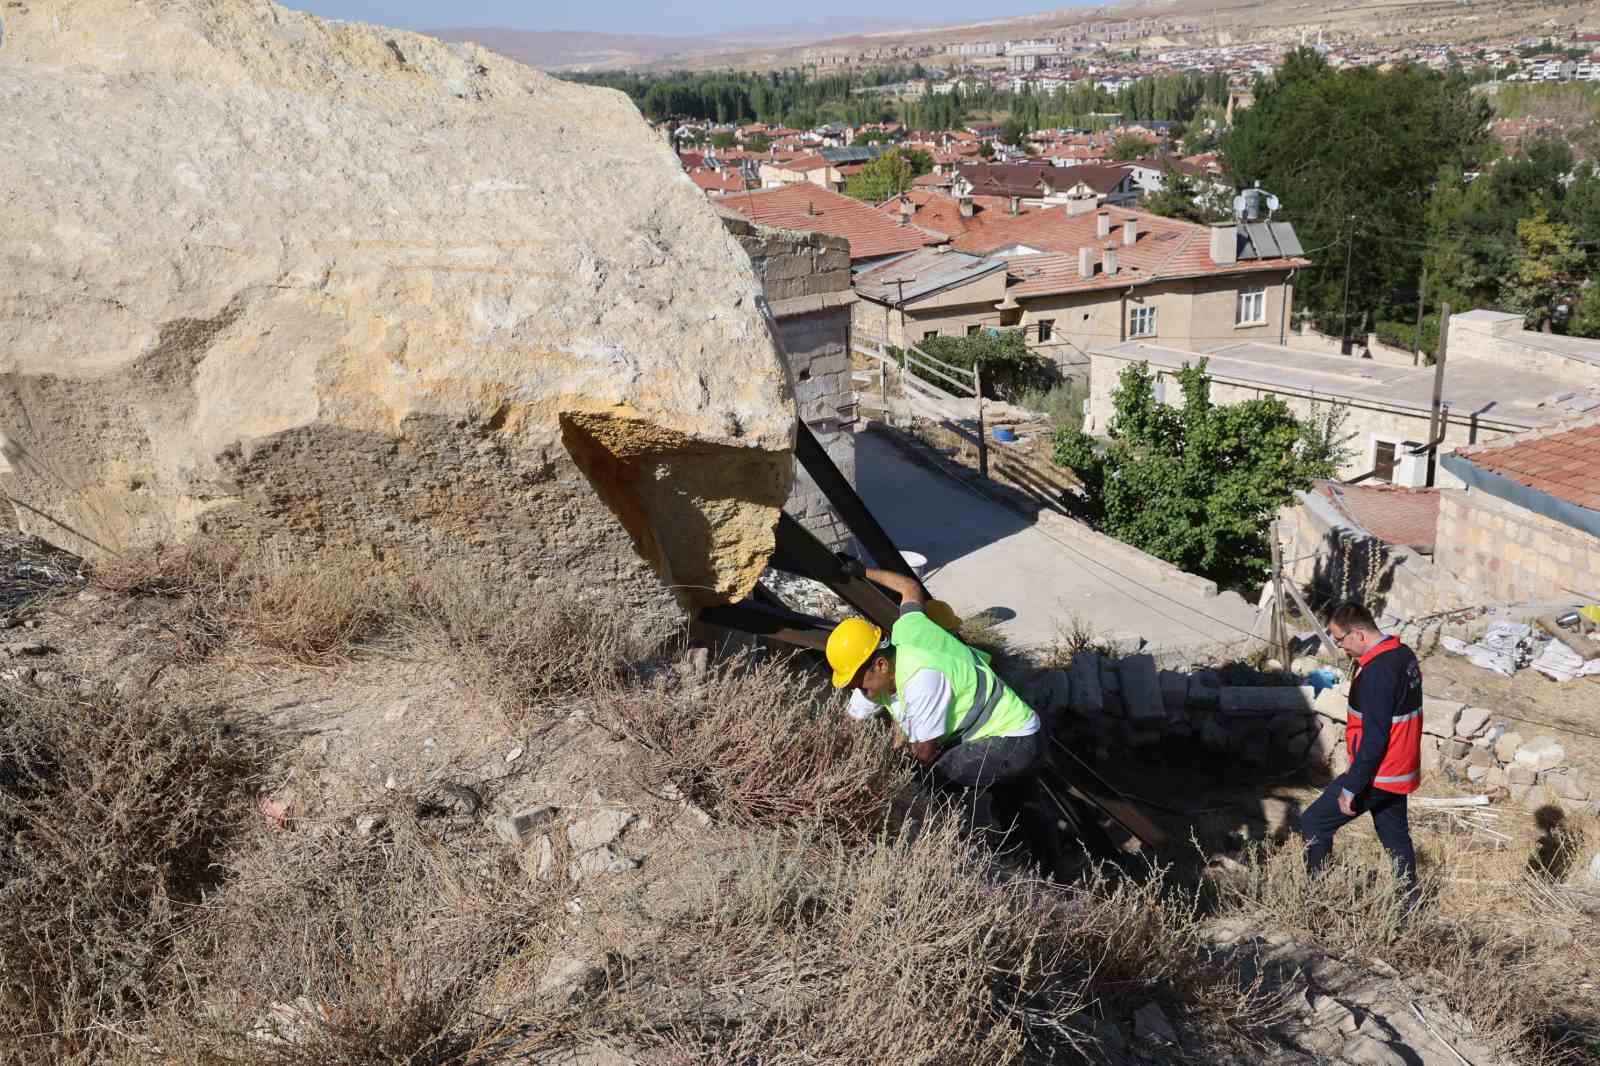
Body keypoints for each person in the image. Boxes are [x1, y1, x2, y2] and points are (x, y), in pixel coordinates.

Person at [824, 563, 1045, 857]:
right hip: (1008, 728)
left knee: (927, 780)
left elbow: (925, 752)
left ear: (881, 664)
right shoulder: (907, 631)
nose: (858, 690)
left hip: (1011, 740)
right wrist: (863, 571)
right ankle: (1045, 860)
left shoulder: (920, 681)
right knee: (1019, 808)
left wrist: (892, 766)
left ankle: (947, 850)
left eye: (858, 683)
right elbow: (909, 588)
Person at [1300, 600, 1423, 906]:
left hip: (1379, 773)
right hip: (1399, 770)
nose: (1340, 647)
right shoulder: (1402, 654)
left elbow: (1375, 738)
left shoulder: (1378, 673)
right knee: (1395, 835)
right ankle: (1410, 903)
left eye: (1340, 639)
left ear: (1359, 634)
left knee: (1314, 823)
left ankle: (1317, 899)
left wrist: (1352, 785)